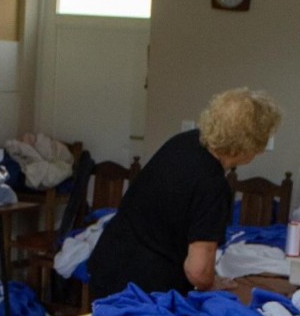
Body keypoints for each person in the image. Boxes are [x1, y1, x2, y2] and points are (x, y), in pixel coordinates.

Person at [89, 88, 282, 299]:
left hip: (109, 263)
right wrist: (212, 283)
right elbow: (198, 272)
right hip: (144, 291)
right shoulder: (212, 185)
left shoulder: (184, 142)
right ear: (248, 143)